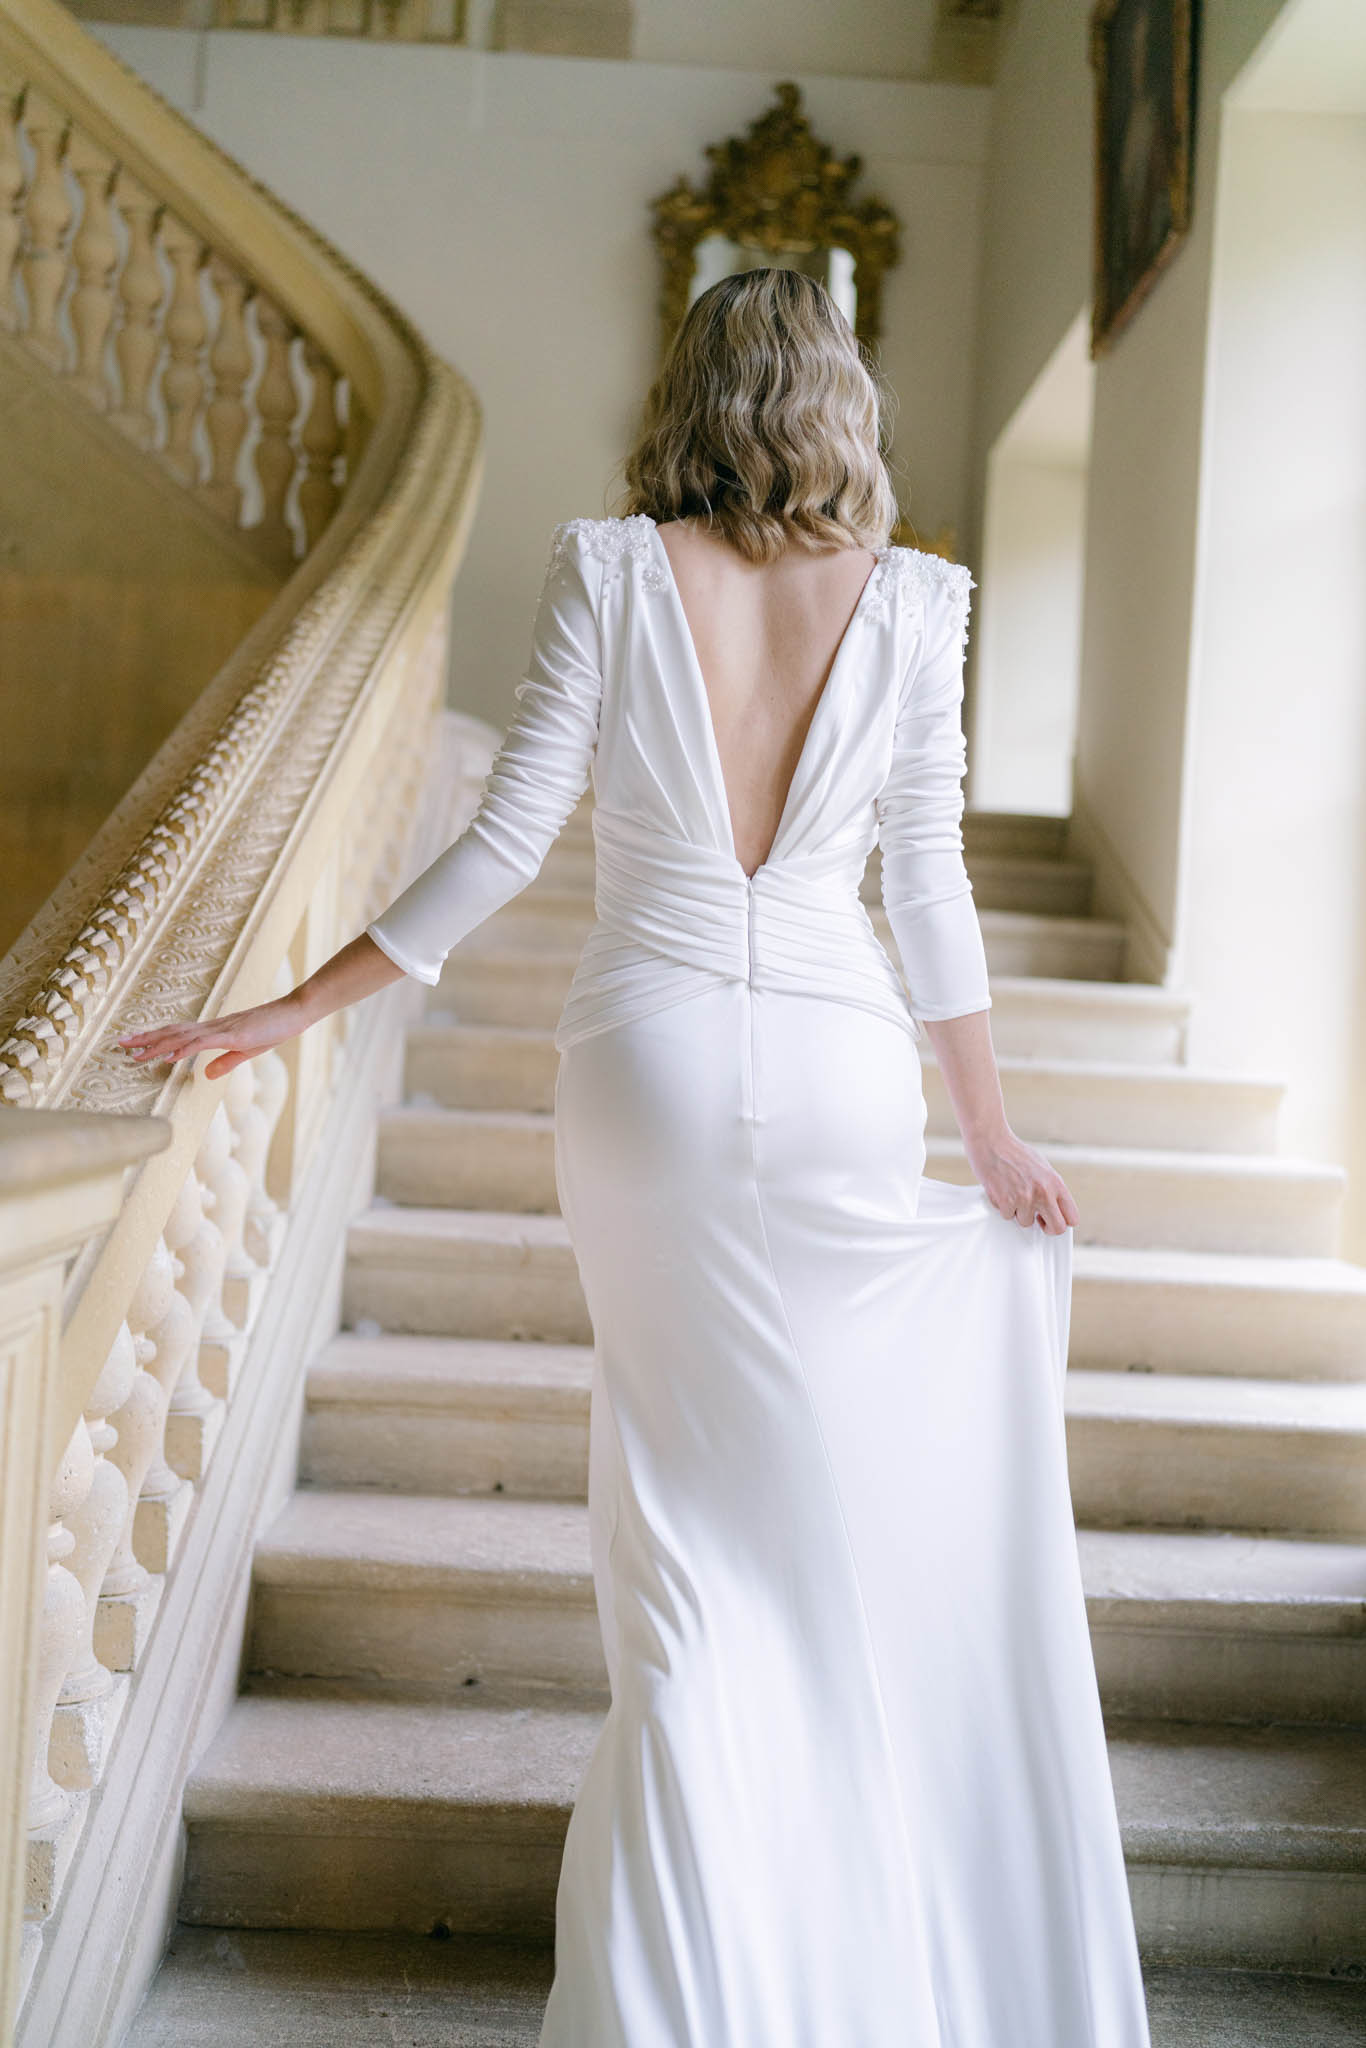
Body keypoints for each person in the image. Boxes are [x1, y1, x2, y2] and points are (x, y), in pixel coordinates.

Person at [118, 269, 1151, 2046]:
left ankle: (691, 1975)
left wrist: (291, 1007)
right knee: (814, 1510)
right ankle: (825, 1921)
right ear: (837, 399)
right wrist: (984, 1129)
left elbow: (509, 832)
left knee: (682, 1527)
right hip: (840, 1068)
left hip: (648, 1067)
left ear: (689, 392)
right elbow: (923, 879)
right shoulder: (914, 600)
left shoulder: (613, 567)